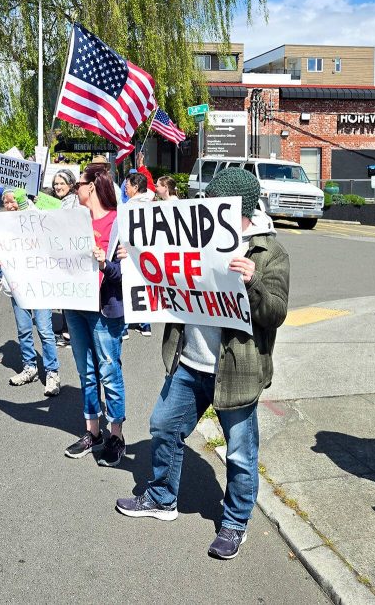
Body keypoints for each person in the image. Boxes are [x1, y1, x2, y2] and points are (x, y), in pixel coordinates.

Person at [115, 167, 290, 560]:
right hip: (189, 361)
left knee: (240, 453)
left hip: (237, 371)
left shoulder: (267, 250)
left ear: (243, 209)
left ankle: (235, 522)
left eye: (224, 207)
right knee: (163, 425)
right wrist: (137, 260)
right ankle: (162, 498)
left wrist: (253, 283)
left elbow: (275, 312)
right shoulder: (191, 231)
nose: (214, 210)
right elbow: (164, 271)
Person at [63, 166, 127, 466]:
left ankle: (116, 435)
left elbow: (127, 274)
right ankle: (93, 432)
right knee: (86, 372)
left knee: (109, 372)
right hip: (76, 308)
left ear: (93, 186)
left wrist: (104, 264)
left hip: (105, 309)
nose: (76, 189)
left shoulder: (119, 223)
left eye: (80, 184)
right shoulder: (73, 221)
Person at [0, 188, 61, 397]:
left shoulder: (34, 216)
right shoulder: (3, 225)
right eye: (6, 202)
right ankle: (30, 368)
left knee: (44, 330)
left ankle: (52, 372)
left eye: (13, 201)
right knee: (24, 329)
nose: (10, 205)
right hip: (18, 286)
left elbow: (35, 217)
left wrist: (25, 205)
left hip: (39, 284)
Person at [122, 172, 155, 338]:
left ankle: (124, 327)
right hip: (149, 255)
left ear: (135, 188)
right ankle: (145, 325)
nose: (125, 189)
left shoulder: (128, 207)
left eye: (127, 186)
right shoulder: (153, 203)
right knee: (145, 287)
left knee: (129, 288)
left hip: (131, 254)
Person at [51, 168, 80, 346]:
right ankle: (65, 327)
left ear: (70, 184)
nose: (58, 186)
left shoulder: (74, 202)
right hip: (60, 254)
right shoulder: (60, 201)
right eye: (55, 183)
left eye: (62, 183)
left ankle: (69, 333)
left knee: (69, 296)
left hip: (71, 255)